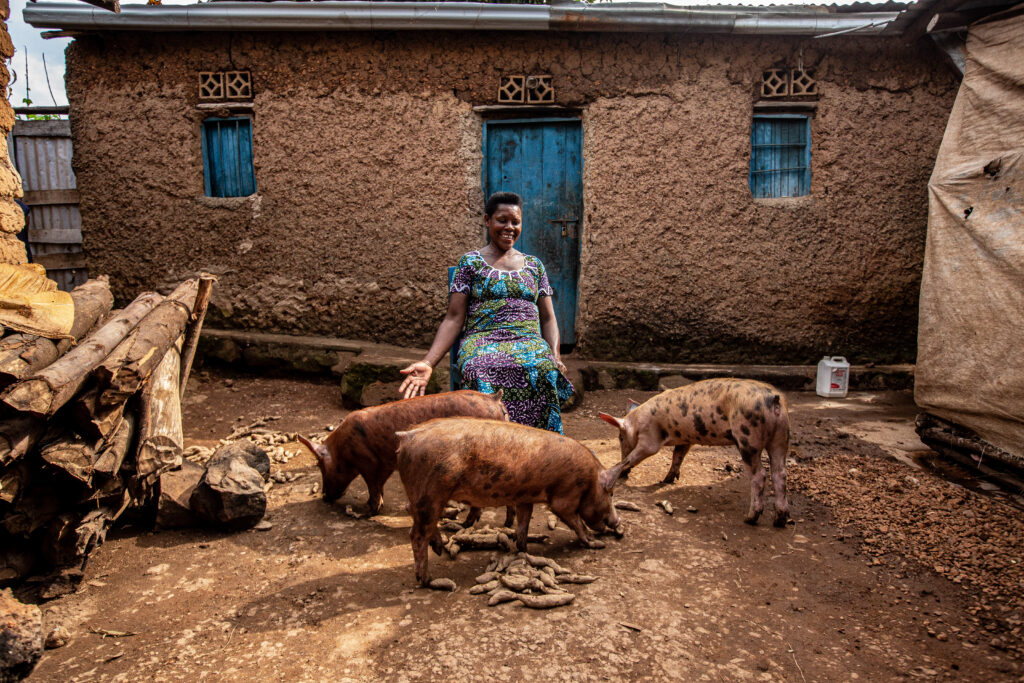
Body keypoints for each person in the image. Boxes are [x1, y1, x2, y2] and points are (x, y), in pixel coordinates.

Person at [399, 191, 574, 433]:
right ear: (487, 220)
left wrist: (555, 355)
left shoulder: (535, 266)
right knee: (478, 367)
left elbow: (548, 318)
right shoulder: (469, 263)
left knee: (543, 368)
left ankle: (537, 449)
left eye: (516, 222)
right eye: (502, 220)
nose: (509, 227)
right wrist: (428, 362)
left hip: (527, 341)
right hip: (482, 340)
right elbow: (453, 318)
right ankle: (486, 443)